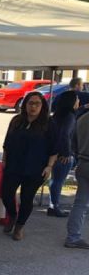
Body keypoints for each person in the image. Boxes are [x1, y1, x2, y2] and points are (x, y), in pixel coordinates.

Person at [1, 91, 57, 241]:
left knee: (27, 198)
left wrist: (49, 166)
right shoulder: (16, 121)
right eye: (30, 103)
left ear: (42, 106)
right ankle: (12, 215)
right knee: (6, 194)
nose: (33, 107)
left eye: (37, 104)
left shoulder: (48, 123)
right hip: (14, 165)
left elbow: (54, 148)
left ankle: (19, 226)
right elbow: (7, 143)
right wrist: (4, 160)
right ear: (25, 105)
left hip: (35, 168)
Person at [48, 90, 79, 217]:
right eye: (77, 99)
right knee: (58, 181)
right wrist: (66, 153)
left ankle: (52, 205)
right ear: (72, 102)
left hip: (54, 153)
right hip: (63, 155)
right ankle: (55, 206)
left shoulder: (57, 115)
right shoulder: (70, 117)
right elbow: (65, 135)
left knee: (54, 180)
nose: (78, 101)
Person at [65, 112, 89, 249]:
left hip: (83, 162)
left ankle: (73, 236)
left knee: (80, 203)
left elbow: (72, 142)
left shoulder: (83, 117)